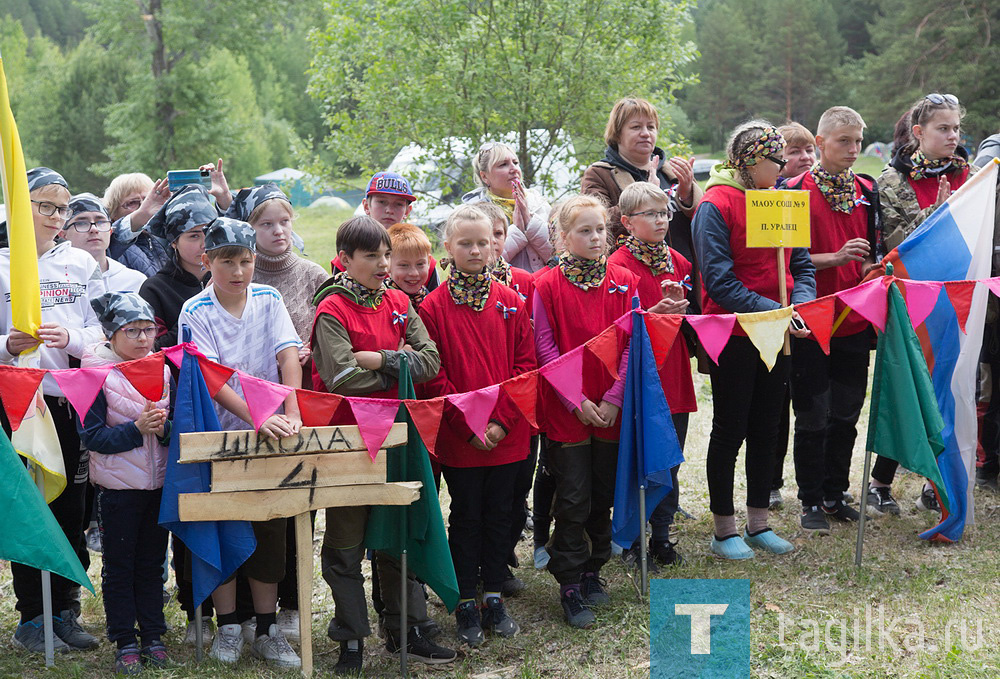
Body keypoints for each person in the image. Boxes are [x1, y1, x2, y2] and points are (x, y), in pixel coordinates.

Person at [310, 216, 455, 674]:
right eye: (371, 256)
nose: (383, 264)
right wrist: (400, 368)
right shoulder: (331, 308)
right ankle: (350, 636)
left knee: (400, 534)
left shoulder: (397, 300)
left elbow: (430, 360)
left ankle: (406, 628)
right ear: (346, 259)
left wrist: (383, 358)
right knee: (345, 544)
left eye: (385, 254)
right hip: (351, 438)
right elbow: (340, 378)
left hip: (399, 433)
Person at [177, 217, 303, 669]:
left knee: (270, 529)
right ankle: (229, 625)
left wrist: (291, 410)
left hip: (273, 433)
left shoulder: (270, 298)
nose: (238, 271)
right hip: (220, 434)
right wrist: (259, 417)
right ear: (208, 260)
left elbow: (287, 353)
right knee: (224, 526)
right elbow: (211, 378)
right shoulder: (194, 311)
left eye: (246, 261)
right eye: (227, 261)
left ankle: (267, 629)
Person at [692, 122, 815, 560]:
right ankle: (724, 530)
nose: (783, 169)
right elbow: (719, 281)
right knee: (731, 429)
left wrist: (797, 305)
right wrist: (774, 310)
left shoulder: (780, 200)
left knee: (768, 426)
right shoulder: (714, 204)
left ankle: (759, 522)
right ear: (749, 160)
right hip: (734, 333)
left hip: (778, 330)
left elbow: (801, 266)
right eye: (776, 160)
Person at [418, 205, 536, 646]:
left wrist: (503, 424)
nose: (474, 249)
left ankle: (494, 594)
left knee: (501, 515)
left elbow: (525, 367)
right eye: (464, 242)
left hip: (507, 433)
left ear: (495, 245)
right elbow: (436, 376)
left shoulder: (511, 301)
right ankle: (465, 599)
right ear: (447, 248)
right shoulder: (432, 308)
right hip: (461, 435)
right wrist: (469, 426)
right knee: (466, 516)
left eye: (482, 242)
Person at [1, 167, 104, 653]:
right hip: (16, 403)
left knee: (70, 508)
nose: (56, 216)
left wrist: (75, 339)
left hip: (68, 400)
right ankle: (31, 616)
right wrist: (6, 344)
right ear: (21, 206)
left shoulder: (80, 265)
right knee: (30, 509)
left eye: (62, 208)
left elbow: (104, 332)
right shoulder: (2, 264)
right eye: (45, 205)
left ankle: (63, 609)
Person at [532, 194, 638, 629]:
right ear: (562, 236)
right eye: (584, 231)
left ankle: (594, 568)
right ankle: (570, 582)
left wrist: (614, 397)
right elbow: (544, 347)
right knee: (572, 497)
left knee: (602, 493)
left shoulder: (625, 281)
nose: (595, 238)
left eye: (600, 230)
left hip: (610, 409)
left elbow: (634, 342)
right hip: (566, 410)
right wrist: (576, 400)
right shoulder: (545, 284)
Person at [871, 94, 979, 514]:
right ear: (918, 133)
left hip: (960, 298)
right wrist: (943, 210)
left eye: (956, 129)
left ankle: (940, 481)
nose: (953, 137)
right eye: (943, 129)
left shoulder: (973, 178)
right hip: (911, 300)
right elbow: (898, 243)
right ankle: (881, 481)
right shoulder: (891, 181)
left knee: (951, 389)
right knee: (912, 389)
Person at [782, 107, 881, 534]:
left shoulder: (867, 189)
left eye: (859, 141)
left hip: (855, 319)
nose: (854, 149)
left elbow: (874, 250)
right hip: (809, 320)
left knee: (846, 412)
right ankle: (809, 500)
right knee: (812, 414)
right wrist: (835, 259)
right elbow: (782, 261)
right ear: (820, 144)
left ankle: (836, 492)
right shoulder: (791, 190)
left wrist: (871, 270)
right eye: (844, 141)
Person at [78, 293, 172, 674]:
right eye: (131, 330)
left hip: (158, 485)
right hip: (118, 491)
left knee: (152, 563)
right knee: (120, 565)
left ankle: (153, 634)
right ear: (110, 335)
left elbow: (176, 428)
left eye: (148, 329)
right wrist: (136, 430)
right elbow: (94, 437)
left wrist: (164, 431)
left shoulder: (165, 369)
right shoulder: (94, 374)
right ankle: (124, 638)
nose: (141, 338)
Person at [608, 181, 695, 566]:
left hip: (673, 373)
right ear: (627, 222)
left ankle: (662, 536)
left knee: (670, 458)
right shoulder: (617, 267)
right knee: (640, 457)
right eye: (651, 214)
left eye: (664, 213)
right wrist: (653, 316)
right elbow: (615, 328)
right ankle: (632, 540)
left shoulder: (678, 262)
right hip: (640, 376)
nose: (661, 220)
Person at [581, 97, 702, 263]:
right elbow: (596, 225)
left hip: (684, 272)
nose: (646, 133)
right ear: (617, 134)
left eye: (651, 127)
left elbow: (705, 225)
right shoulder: (599, 174)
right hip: (631, 277)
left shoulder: (672, 172)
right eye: (636, 127)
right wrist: (643, 197)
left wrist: (687, 195)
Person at [333, 172, 441, 290]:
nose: (389, 210)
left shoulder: (420, 257)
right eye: (382, 202)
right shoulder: (350, 255)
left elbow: (435, 301)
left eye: (398, 204)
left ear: (407, 211)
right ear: (366, 206)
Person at [139, 185, 215, 351]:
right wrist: (200, 306)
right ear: (174, 242)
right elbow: (154, 349)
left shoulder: (230, 279)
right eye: (194, 236)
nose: (204, 244)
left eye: (209, 233)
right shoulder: (154, 289)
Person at [462, 142, 553, 272]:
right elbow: (483, 264)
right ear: (484, 176)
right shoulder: (474, 213)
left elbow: (558, 256)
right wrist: (517, 231)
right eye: (503, 164)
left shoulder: (539, 202)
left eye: (515, 163)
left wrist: (530, 222)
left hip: (543, 287)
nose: (514, 169)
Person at [63, 194, 146, 294]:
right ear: (63, 233)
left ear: (110, 231)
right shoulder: (50, 278)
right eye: (81, 223)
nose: (94, 229)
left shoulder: (134, 281)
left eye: (101, 222)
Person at [104, 173, 171, 277]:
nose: (144, 206)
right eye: (132, 202)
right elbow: (118, 236)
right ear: (114, 212)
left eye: (148, 200)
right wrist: (141, 216)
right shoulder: (107, 242)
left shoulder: (165, 238)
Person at [386, 222, 435, 311]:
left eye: (420, 264)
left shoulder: (430, 299)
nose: (414, 273)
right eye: (404, 265)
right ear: (387, 264)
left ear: (428, 262)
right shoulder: (381, 300)